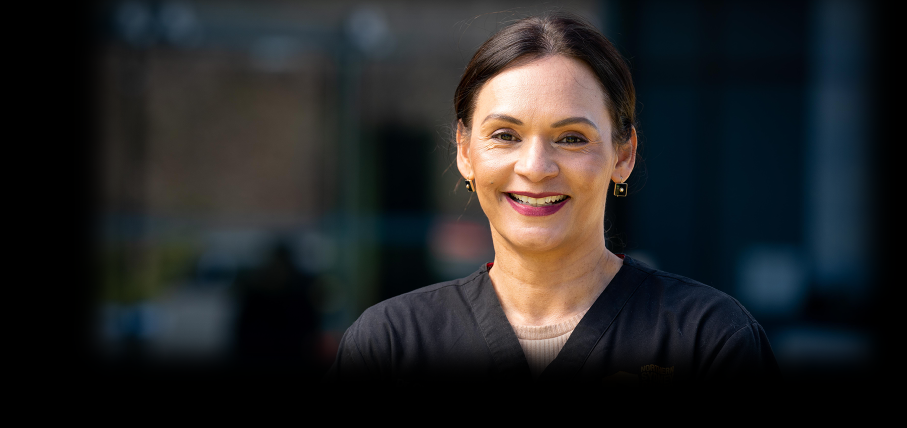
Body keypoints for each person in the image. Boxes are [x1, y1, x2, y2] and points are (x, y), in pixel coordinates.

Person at [326, 12, 779, 383]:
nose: (536, 167)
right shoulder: (390, 343)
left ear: (624, 155)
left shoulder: (709, 339)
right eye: (505, 135)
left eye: (572, 138)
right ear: (465, 152)